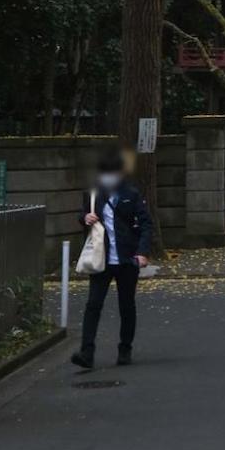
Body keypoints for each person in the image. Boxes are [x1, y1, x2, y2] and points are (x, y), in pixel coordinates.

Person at [71, 147, 152, 370]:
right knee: (93, 304)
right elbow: (83, 215)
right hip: (101, 258)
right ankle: (87, 352)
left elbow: (145, 223)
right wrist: (84, 217)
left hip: (127, 259)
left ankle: (125, 348)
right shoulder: (93, 193)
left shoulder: (131, 194)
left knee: (126, 305)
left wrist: (142, 252)